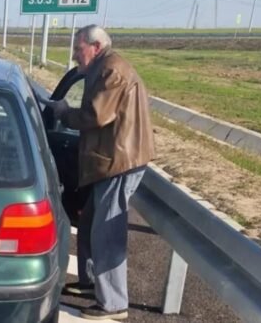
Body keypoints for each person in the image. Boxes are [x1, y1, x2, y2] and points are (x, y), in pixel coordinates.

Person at [47, 25, 155, 320]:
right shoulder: (106, 66)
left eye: (78, 48)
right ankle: (91, 282)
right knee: (90, 223)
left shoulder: (111, 71)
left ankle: (114, 303)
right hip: (109, 159)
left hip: (119, 161)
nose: (74, 55)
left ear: (94, 46)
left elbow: (96, 115)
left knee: (106, 232)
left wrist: (63, 112)